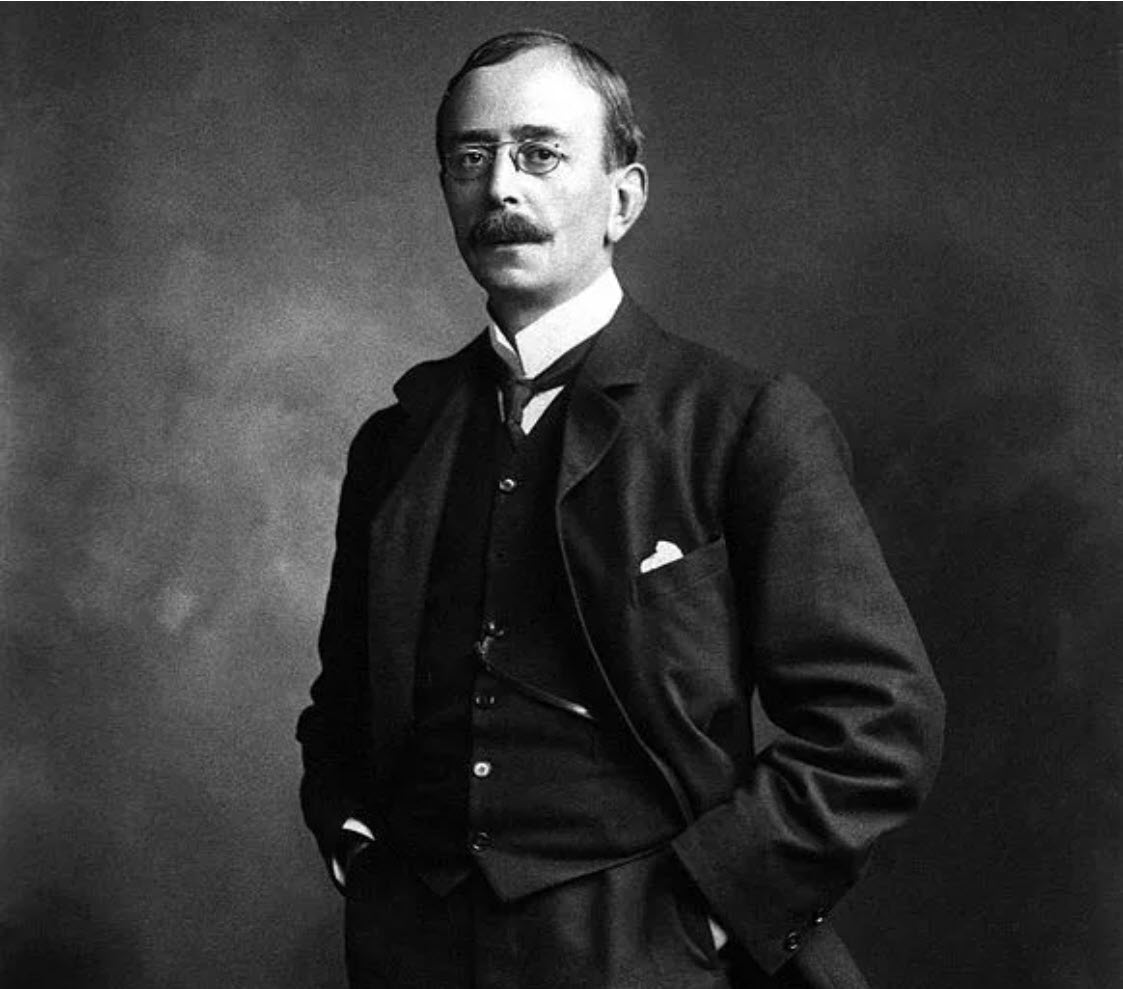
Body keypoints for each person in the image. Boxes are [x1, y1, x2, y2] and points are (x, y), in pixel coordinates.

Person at [296, 29, 944, 989]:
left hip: (648, 956)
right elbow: (343, 704)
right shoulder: (396, 439)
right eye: (470, 159)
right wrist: (356, 844)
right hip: (416, 953)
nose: (499, 188)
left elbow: (878, 720)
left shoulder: (740, 422)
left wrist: (710, 911)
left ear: (623, 199)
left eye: (539, 154)